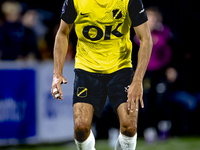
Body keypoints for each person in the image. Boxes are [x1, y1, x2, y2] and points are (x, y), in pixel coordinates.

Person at [51, 0, 152, 149]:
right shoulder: (75, 1)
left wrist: (137, 81)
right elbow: (62, 33)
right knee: (80, 128)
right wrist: (57, 73)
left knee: (129, 127)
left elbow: (146, 39)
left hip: (121, 68)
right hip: (87, 69)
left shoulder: (130, 1)